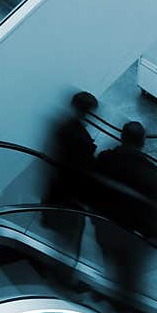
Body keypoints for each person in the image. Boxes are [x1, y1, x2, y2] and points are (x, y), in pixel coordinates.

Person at [92, 120, 157, 303]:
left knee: (111, 262)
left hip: (104, 225)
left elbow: (92, 187)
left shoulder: (104, 159)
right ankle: (124, 308)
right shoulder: (150, 173)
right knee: (130, 273)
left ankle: (114, 295)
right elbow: (155, 205)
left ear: (121, 137)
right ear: (142, 142)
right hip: (131, 233)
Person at [41, 91, 99, 256]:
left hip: (56, 195)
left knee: (61, 240)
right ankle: (65, 276)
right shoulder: (81, 140)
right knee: (71, 241)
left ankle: (58, 270)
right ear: (86, 112)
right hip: (71, 201)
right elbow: (84, 174)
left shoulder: (60, 126)